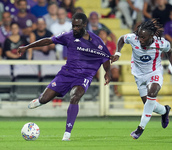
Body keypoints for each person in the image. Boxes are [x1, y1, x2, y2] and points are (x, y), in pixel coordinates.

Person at [17, 13, 111, 141]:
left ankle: (67, 134)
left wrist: (107, 72)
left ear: (84, 25)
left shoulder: (96, 41)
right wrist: (27, 46)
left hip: (84, 75)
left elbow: (105, 57)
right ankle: (39, 101)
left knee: (75, 96)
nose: (75, 29)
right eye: (73, 26)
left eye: (78, 26)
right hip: (66, 74)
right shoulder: (68, 36)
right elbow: (48, 40)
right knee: (44, 99)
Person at [110, 19, 172, 139]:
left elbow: (170, 53)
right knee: (149, 104)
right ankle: (165, 110)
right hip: (138, 75)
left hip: (154, 72)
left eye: (143, 38)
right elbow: (122, 39)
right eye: (139, 37)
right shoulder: (133, 38)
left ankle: (140, 128)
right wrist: (118, 53)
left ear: (152, 36)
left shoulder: (161, 43)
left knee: (152, 92)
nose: (140, 40)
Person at [98, 28, 121, 96]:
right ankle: (102, 91)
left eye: (103, 34)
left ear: (106, 35)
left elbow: (114, 55)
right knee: (98, 73)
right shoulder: (95, 44)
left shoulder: (111, 44)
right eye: (100, 34)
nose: (102, 35)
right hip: (100, 64)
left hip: (111, 62)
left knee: (115, 72)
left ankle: (115, 90)